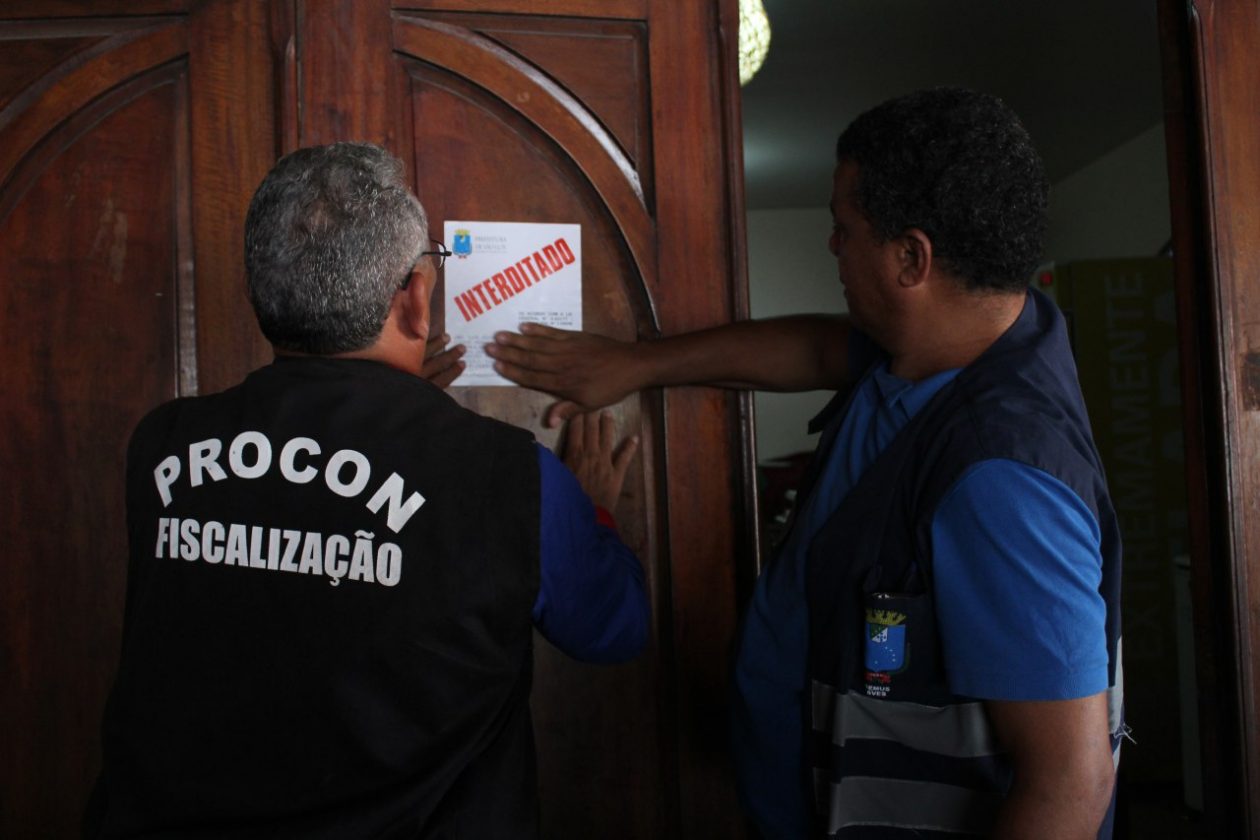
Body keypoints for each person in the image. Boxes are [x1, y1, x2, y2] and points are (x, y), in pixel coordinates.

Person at [486, 87, 1124, 839]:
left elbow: (1068, 787)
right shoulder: (958, 342)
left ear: (911, 259)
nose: (833, 246)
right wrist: (637, 365)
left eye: (842, 227)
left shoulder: (1004, 476)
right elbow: (817, 348)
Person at [85, 142, 647, 839]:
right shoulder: (511, 477)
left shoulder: (163, 446)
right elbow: (613, 628)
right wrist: (588, 508)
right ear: (415, 298)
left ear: (265, 293)